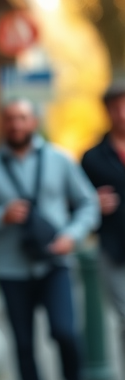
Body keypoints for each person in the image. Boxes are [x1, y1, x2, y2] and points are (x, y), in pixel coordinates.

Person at [0, 99, 98, 380]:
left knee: (65, 332)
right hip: (11, 268)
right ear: (2, 123)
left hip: (55, 263)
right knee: (23, 345)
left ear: (34, 122)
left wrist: (71, 236)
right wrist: (0, 216)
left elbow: (88, 203)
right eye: (10, 118)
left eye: (22, 118)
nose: (16, 124)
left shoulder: (59, 159)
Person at [81, 83, 125, 349]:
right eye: (115, 107)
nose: (122, 113)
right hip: (114, 249)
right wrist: (93, 203)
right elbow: (76, 204)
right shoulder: (92, 158)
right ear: (107, 111)